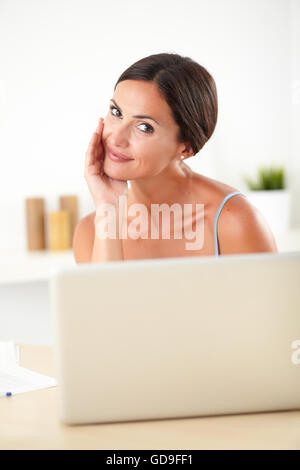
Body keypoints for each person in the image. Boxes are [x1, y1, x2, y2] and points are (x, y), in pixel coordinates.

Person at [73, 52, 278, 263]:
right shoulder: (91, 231)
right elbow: (104, 297)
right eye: (116, 112)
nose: (116, 138)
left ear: (186, 148)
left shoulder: (233, 220)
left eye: (145, 127)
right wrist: (110, 206)